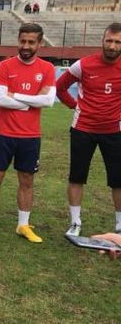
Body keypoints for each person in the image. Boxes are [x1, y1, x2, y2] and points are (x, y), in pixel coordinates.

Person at [0, 23, 56, 243]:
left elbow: (48, 101)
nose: (25, 45)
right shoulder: (4, 66)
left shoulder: (47, 69)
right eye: (22, 41)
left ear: (39, 44)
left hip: (30, 136)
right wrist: (32, 101)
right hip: (4, 133)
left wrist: (18, 97)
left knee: (27, 180)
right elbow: (0, 99)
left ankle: (23, 225)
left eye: (31, 42)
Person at [56, 22, 121, 237]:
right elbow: (60, 86)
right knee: (77, 176)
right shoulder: (83, 65)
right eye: (109, 40)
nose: (112, 46)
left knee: (118, 179)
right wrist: (74, 105)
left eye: (117, 42)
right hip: (83, 129)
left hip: (114, 131)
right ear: (102, 41)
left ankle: (120, 224)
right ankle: (75, 222)